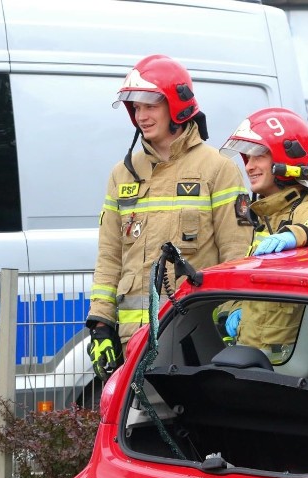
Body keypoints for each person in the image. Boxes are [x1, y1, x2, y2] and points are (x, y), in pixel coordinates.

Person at [86, 54, 253, 379]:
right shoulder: (122, 175)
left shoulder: (217, 169)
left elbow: (236, 256)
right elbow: (109, 257)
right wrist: (101, 322)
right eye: (136, 107)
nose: (141, 115)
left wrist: (234, 319)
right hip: (130, 342)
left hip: (193, 342)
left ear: (176, 105)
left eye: (150, 105)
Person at [219, 107, 308, 360]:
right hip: (254, 357)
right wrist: (232, 308)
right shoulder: (264, 216)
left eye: (259, 157)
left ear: (283, 159)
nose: (249, 167)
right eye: (247, 158)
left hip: (287, 368)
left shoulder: (306, 208)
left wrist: (293, 235)